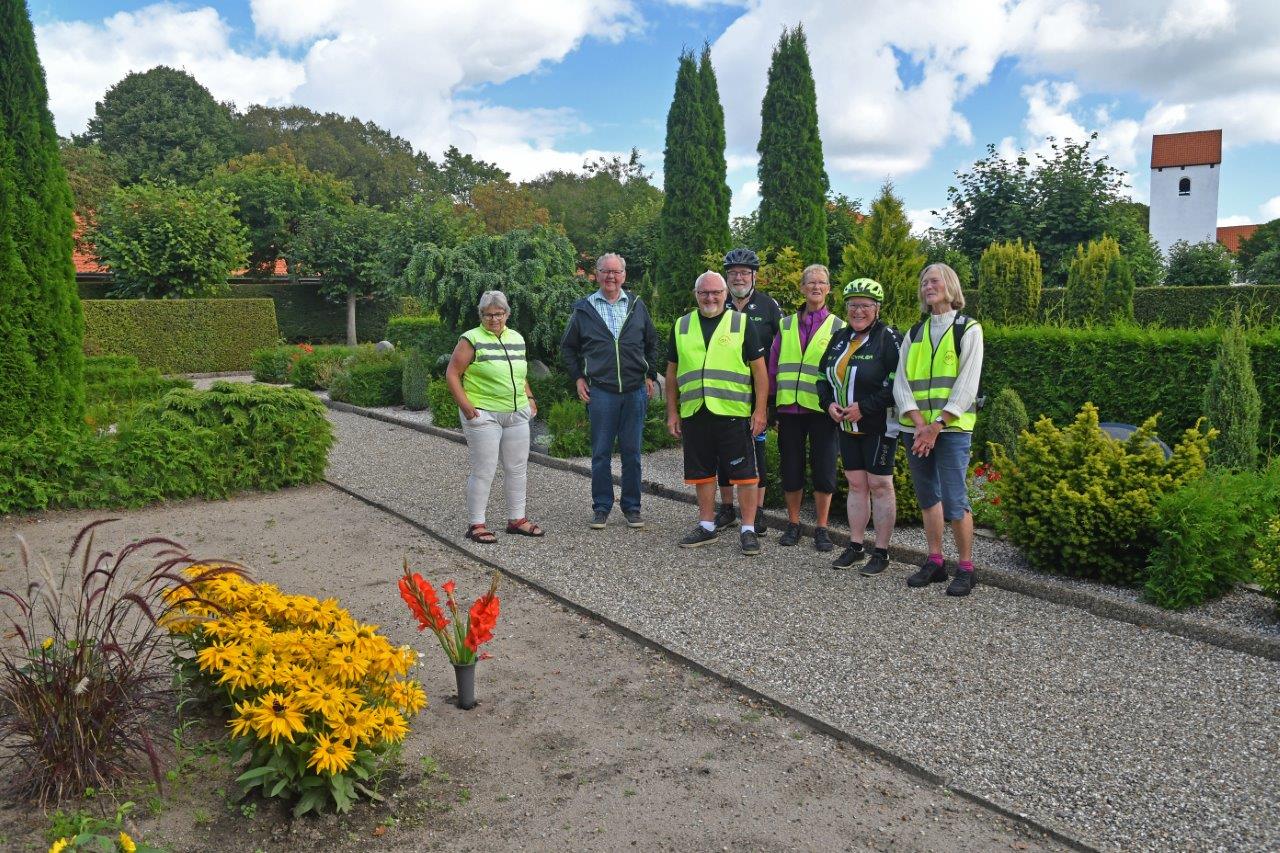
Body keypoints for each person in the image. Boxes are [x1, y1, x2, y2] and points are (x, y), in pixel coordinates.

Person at [892, 263, 985, 596]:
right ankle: (935, 561)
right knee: (928, 496)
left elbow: (967, 384)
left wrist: (937, 424)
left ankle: (966, 568)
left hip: (951, 429)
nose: (927, 287)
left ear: (950, 286)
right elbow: (901, 382)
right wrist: (920, 424)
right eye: (924, 283)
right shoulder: (915, 332)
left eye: (934, 281)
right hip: (916, 430)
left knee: (955, 499)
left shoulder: (968, 329)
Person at [665, 271, 770, 555]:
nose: (710, 297)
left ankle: (748, 529)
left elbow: (760, 372)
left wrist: (760, 411)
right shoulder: (682, 325)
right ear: (696, 295)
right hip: (695, 412)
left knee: (745, 474)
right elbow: (672, 373)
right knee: (701, 473)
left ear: (725, 294)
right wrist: (672, 412)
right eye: (704, 293)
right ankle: (707, 525)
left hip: (733, 412)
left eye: (715, 292)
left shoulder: (741, 323)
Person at [560, 253, 660, 529]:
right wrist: (578, 378)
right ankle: (602, 507)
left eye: (616, 272)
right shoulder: (584, 309)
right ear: (597, 274)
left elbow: (652, 342)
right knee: (601, 453)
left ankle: (632, 507)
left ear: (624, 275)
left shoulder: (637, 305)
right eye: (606, 271)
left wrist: (650, 374)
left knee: (632, 453)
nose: (611, 277)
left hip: (634, 391)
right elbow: (568, 348)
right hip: (601, 391)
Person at [818, 279, 902, 575]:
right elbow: (822, 376)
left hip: (879, 425)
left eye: (865, 305)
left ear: (877, 309)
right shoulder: (840, 337)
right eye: (853, 305)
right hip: (845, 425)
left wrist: (864, 407)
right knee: (855, 484)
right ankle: (855, 546)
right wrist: (827, 404)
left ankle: (881, 552)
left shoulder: (888, 338)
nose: (858, 311)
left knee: (880, 485)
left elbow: (897, 382)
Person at [445, 290, 542, 544]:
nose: (494, 319)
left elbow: (520, 374)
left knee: (517, 469)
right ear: (481, 315)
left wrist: (530, 398)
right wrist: (466, 406)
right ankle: (476, 524)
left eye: (499, 314)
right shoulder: (471, 339)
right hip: (483, 413)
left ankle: (517, 520)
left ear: (507, 314)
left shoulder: (517, 338)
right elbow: (452, 373)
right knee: (484, 470)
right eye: (488, 315)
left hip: (516, 413)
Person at [768, 263, 843, 552]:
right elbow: (773, 365)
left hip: (823, 410)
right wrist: (772, 404)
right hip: (790, 408)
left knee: (824, 469)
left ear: (829, 289)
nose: (816, 287)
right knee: (791, 468)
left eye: (821, 282)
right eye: (810, 282)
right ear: (801, 287)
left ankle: (822, 528)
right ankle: (794, 523)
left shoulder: (839, 327)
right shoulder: (786, 324)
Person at [713, 247, 782, 535]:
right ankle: (727, 509)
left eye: (744, 272)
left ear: (754, 276)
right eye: (733, 273)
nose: (738, 278)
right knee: (723, 452)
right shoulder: (717, 303)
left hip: (757, 395)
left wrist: (770, 402)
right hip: (724, 393)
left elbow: (780, 351)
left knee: (757, 452)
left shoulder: (768, 306)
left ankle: (758, 511)